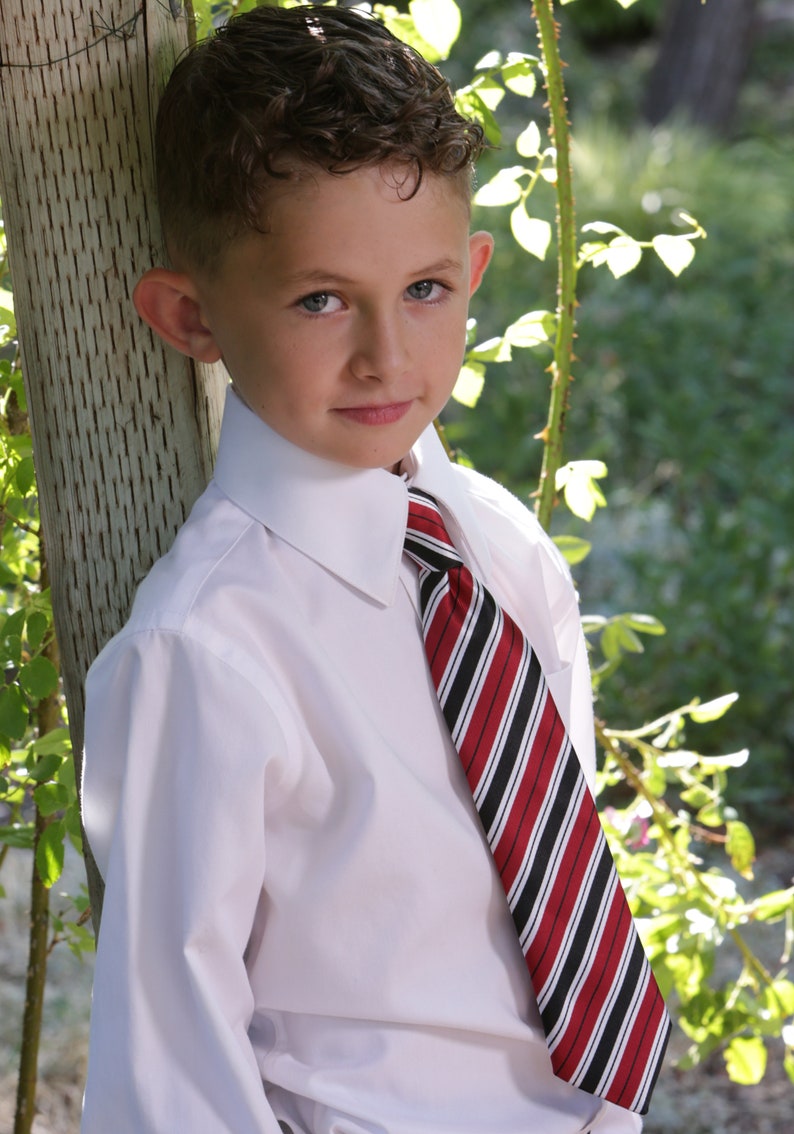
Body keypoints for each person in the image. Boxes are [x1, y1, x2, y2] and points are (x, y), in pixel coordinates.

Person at [81, 6, 657, 1133]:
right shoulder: (204, 652)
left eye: (425, 291)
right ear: (189, 316)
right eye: (319, 299)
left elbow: (561, 882)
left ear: (474, 273)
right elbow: (169, 1058)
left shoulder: (500, 552)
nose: (385, 356)